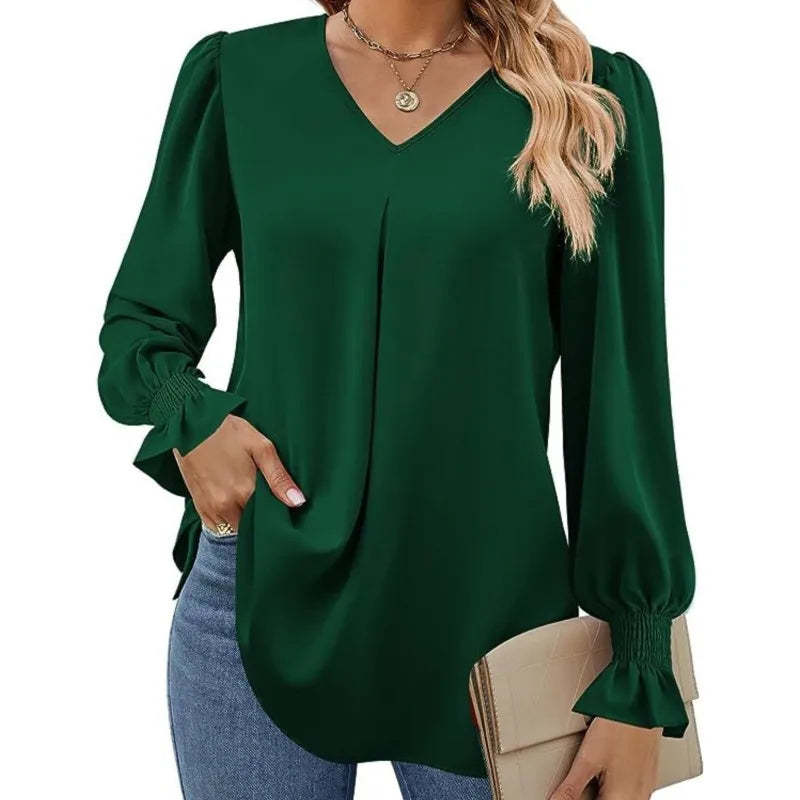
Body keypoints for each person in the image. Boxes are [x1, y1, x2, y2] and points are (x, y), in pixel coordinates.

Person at [97, 1, 696, 798]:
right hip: (260, 595)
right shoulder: (237, 77)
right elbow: (142, 319)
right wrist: (191, 417)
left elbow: (622, 397)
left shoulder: (583, 93)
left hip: (494, 628)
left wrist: (641, 664)